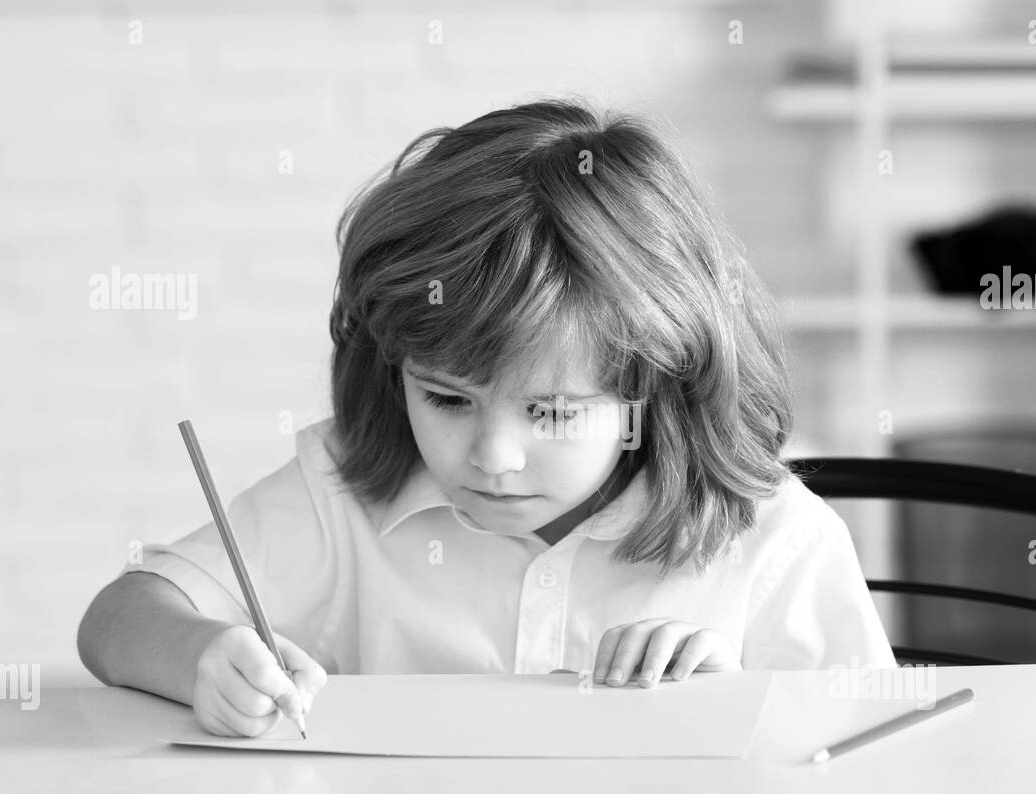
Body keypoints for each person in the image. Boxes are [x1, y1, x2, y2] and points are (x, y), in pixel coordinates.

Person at [77, 96, 895, 738]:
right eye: (447, 399)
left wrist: (740, 707)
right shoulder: (344, 494)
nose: (494, 457)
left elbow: (873, 760)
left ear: (654, 384)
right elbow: (118, 620)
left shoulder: (771, 538)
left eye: (550, 411)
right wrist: (203, 658)